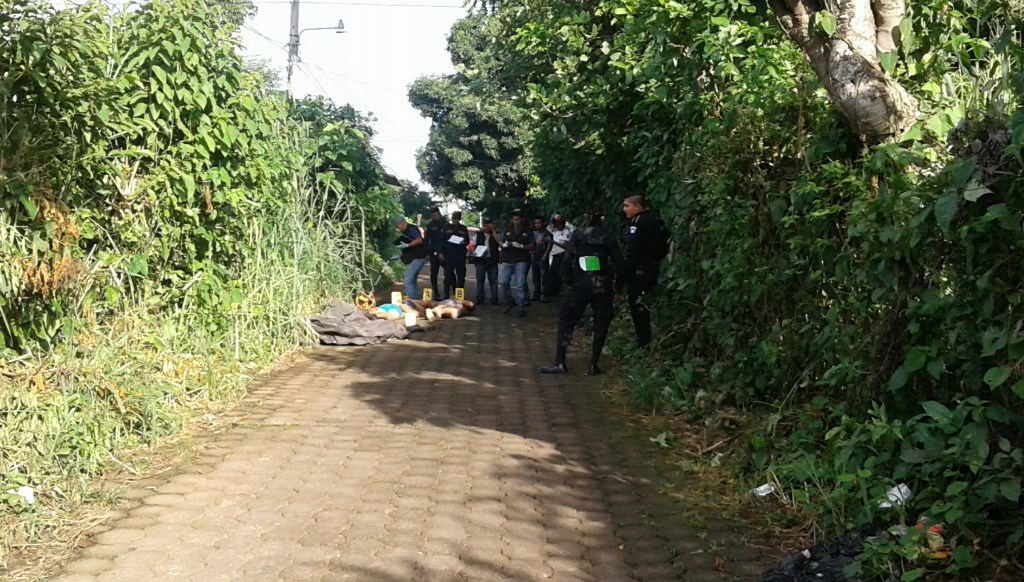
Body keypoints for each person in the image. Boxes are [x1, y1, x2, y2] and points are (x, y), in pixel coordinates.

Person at [540, 208, 624, 376]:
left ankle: (560, 362)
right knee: (601, 323)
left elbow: (567, 259)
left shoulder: (578, 235)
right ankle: (593, 364)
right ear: (603, 218)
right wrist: (618, 287)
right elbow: (620, 264)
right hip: (602, 285)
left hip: (582, 284)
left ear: (586, 219)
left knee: (567, 319)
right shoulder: (608, 237)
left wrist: (570, 280)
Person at [620, 194, 669, 348]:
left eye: (627, 206)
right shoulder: (656, 221)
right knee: (647, 303)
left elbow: (633, 252)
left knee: (638, 306)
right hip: (653, 267)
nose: (624, 209)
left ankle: (643, 341)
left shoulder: (637, 223)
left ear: (638, 207)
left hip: (640, 270)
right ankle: (646, 338)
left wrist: (625, 275)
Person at [498, 209, 534, 317]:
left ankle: (521, 307)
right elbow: (501, 242)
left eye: (518, 219)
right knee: (503, 281)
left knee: (520, 285)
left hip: (521, 260)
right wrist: (503, 245)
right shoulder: (508, 229)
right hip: (507, 259)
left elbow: (533, 246)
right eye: (514, 219)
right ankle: (509, 300)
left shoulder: (528, 230)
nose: (516, 222)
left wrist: (522, 246)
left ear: (522, 220)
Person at [393, 216, 430, 300]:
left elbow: (419, 240)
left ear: (402, 224)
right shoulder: (406, 232)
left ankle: (410, 300)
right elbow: (409, 248)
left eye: (397, 227)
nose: (397, 229)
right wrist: (400, 255)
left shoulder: (411, 229)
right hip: (416, 257)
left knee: (408, 279)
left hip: (419, 257)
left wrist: (407, 245)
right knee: (412, 279)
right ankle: (415, 300)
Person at [441, 211, 470, 299]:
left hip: (460, 255)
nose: (455, 220)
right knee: (448, 277)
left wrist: (462, 242)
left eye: (456, 218)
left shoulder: (463, 228)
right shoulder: (446, 227)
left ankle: (459, 296)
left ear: (459, 219)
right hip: (449, 255)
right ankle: (446, 295)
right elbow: (441, 241)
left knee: (461, 276)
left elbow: (467, 241)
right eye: (453, 218)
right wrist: (440, 253)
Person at [545, 212, 573, 299]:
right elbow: (548, 228)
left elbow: (566, 246)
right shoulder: (556, 231)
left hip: (562, 256)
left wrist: (552, 242)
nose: (557, 226)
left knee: (560, 276)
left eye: (559, 224)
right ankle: (553, 294)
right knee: (552, 276)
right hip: (556, 256)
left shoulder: (566, 232)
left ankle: (559, 295)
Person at [473, 218, 501, 305]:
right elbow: (473, 245)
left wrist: (493, 231)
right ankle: (480, 299)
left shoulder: (495, 234)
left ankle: (494, 299)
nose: (486, 227)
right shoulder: (478, 235)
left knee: (493, 281)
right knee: (480, 280)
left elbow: (500, 242)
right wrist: (474, 253)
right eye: (485, 225)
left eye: (488, 225)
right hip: (480, 260)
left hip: (492, 261)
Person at [424, 207, 447, 299]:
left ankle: (448, 293)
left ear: (440, 214)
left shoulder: (445, 224)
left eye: (437, 215)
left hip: (445, 253)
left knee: (449, 274)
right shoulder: (429, 226)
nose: (436, 217)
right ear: (431, 216)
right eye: (433, 215)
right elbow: (426, 240)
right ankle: (436, 294)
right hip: (433, 252)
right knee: (433, 274)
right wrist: (426, 253)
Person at [530, 217, 553, 303]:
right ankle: (537, 295)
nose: (537, 224)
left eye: (539, 223)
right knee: (535, 278)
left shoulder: (546, 233)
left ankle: (546, 296)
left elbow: (550, 244)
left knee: (544, 277)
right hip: (534, 257)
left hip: (542, 258)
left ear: (543, 223)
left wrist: (545, 254)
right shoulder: (533, 233)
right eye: (536, 223)